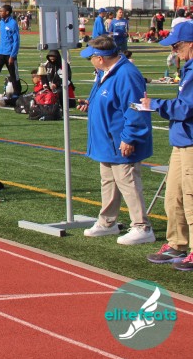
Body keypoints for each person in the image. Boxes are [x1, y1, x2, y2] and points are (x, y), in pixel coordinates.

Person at [77, 35, 155, 245]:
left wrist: (129, 138)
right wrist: (90, 104)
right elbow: (107, 99)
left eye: (91, 58)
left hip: (119, 141)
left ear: (100, 58)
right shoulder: (106, 72)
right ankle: (107, 222)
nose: (90, 61)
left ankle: (142, 226)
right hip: (107, 142)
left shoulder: (126, 74)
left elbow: (135, 109)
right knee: (108, 182)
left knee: (128, 182)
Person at [141, 23, 193, 271]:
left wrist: (155, 104)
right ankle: (177, 243)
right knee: (173, 196)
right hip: (182, 140)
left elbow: (186, 108)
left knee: (191, 198)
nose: (173, 50)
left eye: (177, 45)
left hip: (190, 142)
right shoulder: (188, 68)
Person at [0, 4, 21, 98]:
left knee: (14, 74)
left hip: (9, 54)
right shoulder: (1, 22)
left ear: (7, 12)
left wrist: (13, 55)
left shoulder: (13, 23)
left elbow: (16, 40)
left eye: (1, 11)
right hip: (0, 53)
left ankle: (17, 93)